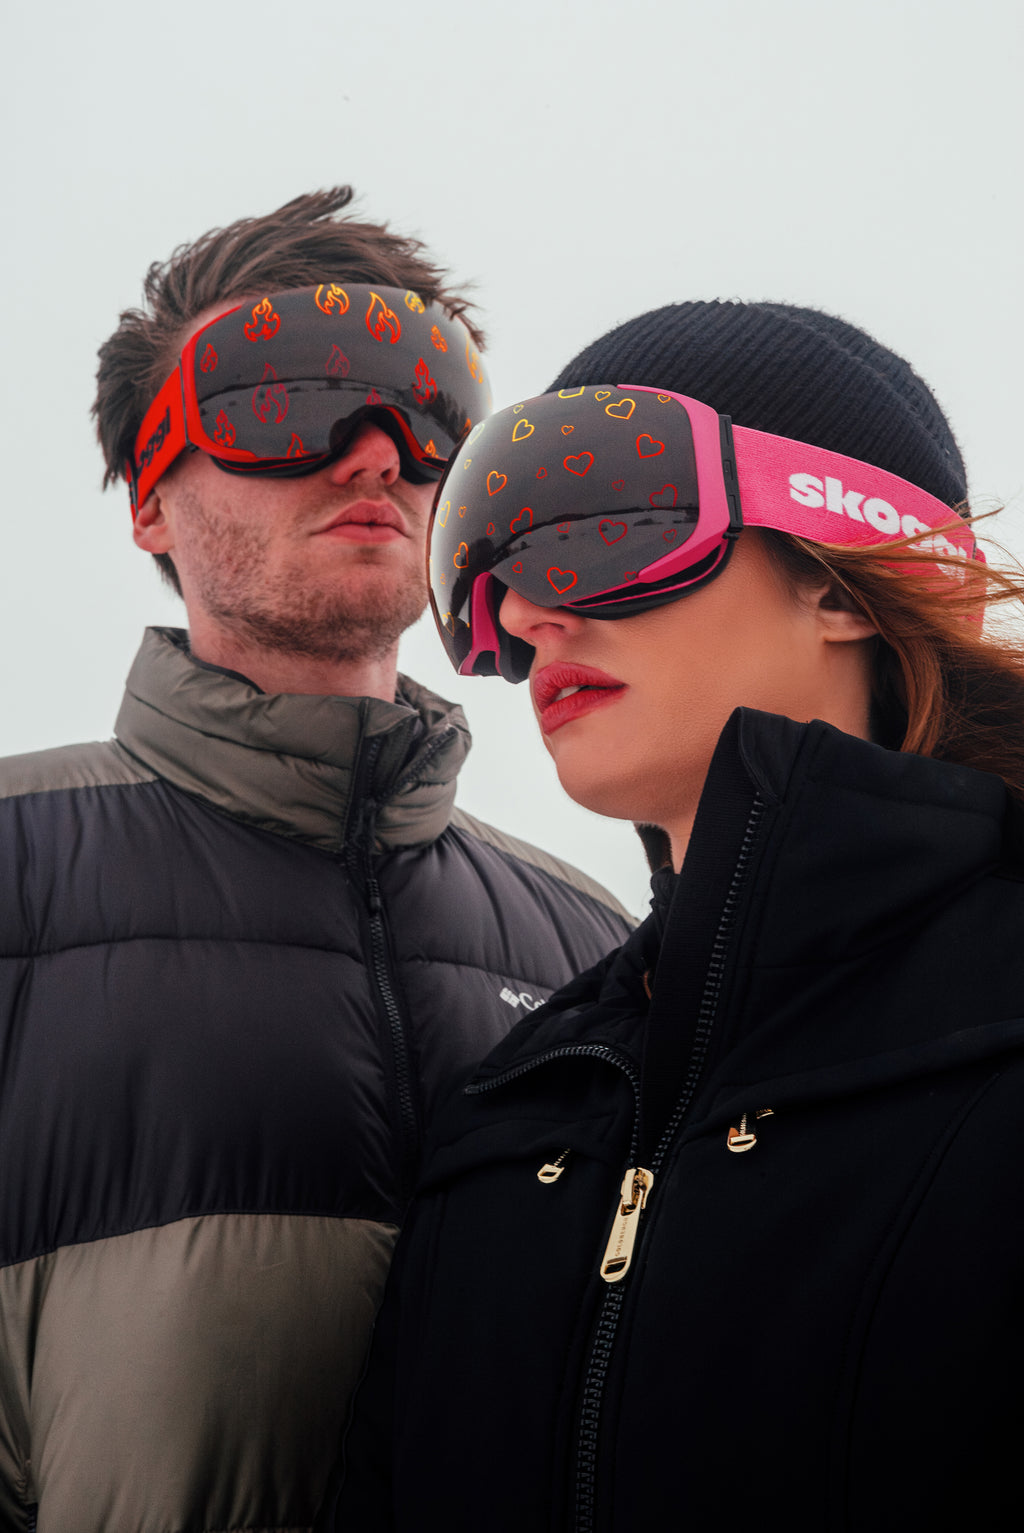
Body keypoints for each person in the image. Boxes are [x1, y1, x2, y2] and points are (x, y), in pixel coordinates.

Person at [328, 301, 1024, 1531]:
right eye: (495, 563)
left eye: (600, 533)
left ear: (844, 583)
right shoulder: (515, 1111)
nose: (530, 619)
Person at [0, 189, 631, 1532]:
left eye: (427, 411)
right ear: (147, 501)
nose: (376, 455)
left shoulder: (591, 943)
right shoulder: (12, 865)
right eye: (284, 404)